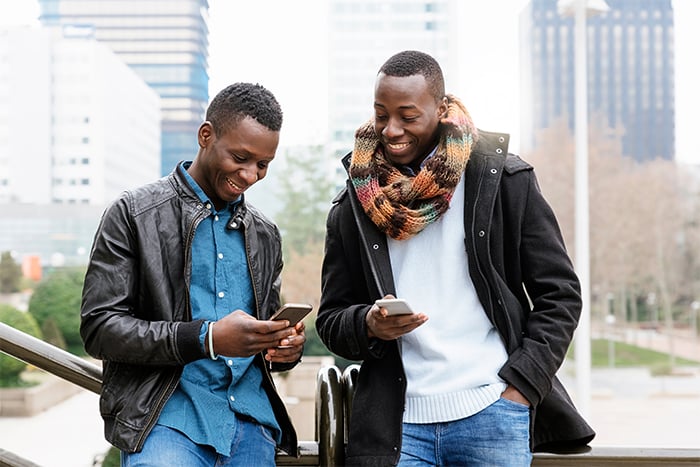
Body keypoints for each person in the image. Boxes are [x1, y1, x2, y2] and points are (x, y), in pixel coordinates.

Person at [316, 50, 595, 466]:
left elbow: (561, 296)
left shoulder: (505, 181)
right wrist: (368, 324)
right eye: (381, 115)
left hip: (494, 416)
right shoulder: (355, 204)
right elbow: (331, 319)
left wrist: (519, 389)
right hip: (396, 429)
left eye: (407, 116)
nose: (391, 130)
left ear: (442, 108)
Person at [80, 82, 305, 466]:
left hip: (251, 426)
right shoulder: (132, 213)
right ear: (206, 136)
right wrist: (206, 338)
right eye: (240, 157)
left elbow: (266, 341)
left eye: (263, 165)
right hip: (165, 421)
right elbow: (100, 329)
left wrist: (284, 350)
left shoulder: (265, 235)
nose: (250, 175)